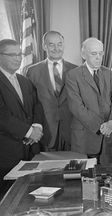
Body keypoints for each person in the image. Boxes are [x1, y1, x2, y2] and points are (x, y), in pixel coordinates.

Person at [66, 37, 112, 164]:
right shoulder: (73, 75)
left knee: (108, 177)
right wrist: (101, 127)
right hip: (85, 137)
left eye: (100, 53)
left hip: (109, 137)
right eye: (94, 54)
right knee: (86, 178)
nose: (98, 57)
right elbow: (77, 107)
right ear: (83, 54)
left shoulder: (108, 73)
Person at [0, 39, 48, 182]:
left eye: (19, 54)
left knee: (32, 191)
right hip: (7, 152)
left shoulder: (24, 80)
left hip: (31, 150)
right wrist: (28, 132)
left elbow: (37, 106)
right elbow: (2, 115)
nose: (18, 58)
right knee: (9, 197)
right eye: (12, 55)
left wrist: (37, 127)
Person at [27, 31, 77, 151]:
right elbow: (31, 103)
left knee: (74, 167)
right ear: (44, 46)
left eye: (59, 44)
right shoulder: (32, 71)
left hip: (72, 130)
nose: (56, 48)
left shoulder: (76, 70)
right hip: (46, 131)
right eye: (51, 44)